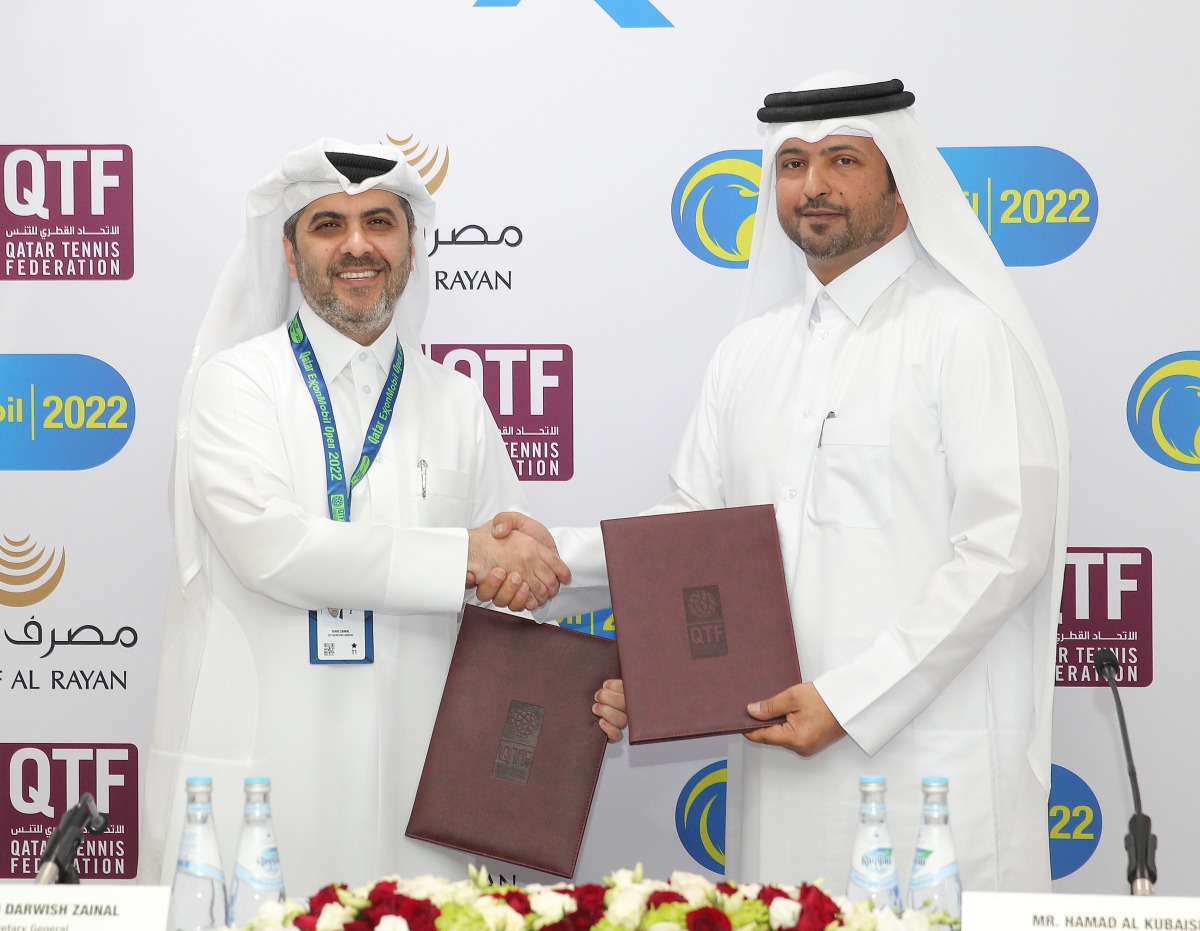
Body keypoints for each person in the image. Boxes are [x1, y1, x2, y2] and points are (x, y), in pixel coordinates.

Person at [512, 73, 1069, 891]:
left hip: (931, 759)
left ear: (901, 185)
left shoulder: (965, 334)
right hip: (778, 745)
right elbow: (693, 526)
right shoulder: (750, 352)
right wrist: (550, 548)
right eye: (794, 163)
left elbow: (1001, 548)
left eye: (843, 159)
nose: (814, 185)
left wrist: (850, 699)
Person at [141, 139, 571, 893]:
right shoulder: (235, 385)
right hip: (271, 774)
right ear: (288, 249)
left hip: (428, 785)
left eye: (379, 221)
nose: (357, 245)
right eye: (327, 225)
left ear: (410, 247)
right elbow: (273, 550)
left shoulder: (456, 400)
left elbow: (515, 576)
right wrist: (465, 557)